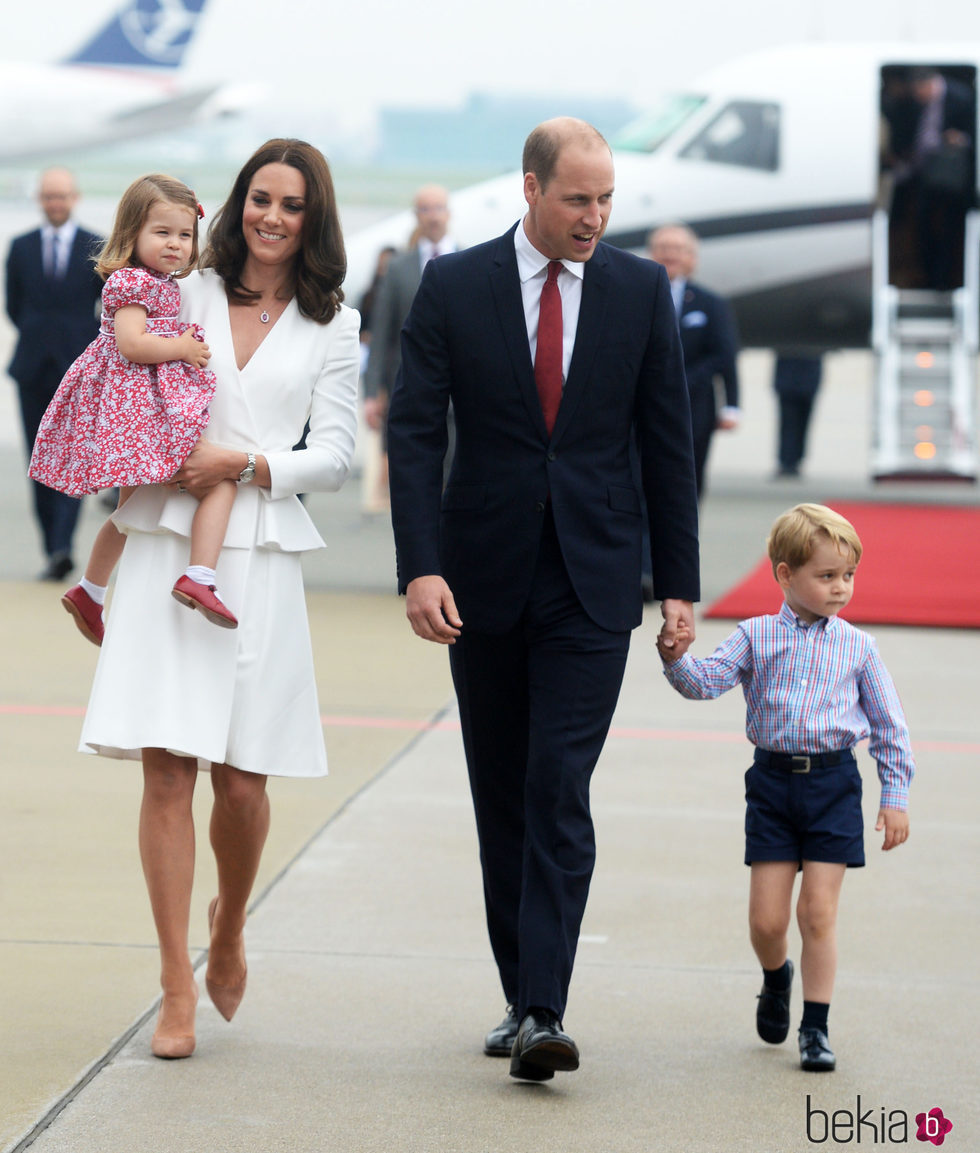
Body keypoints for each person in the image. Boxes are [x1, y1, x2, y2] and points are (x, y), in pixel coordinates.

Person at [387, 118, 700, 1082]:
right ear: (531, 189)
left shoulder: (640, 288)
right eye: (578, 199)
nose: (595, 218)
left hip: (595, 582)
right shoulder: (455, 284)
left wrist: (681, 585)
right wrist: (421, 564)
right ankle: (521, 988)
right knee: (503, 793)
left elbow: (666, 445)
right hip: (478, 580)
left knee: (557, 784)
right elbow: (412, 433)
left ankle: (543, 1007)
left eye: (607, 201)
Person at [77, 139, 360, 1060]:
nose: (272, 217)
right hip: (167, 545)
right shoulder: (182, 287)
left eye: (292, 205)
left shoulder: (333, 324)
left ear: (313, 221)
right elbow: (117, 351)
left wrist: (244, 462)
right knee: (168, 771)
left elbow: (340, 455)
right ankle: (172, 985)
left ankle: (229, 923)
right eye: (260, 199)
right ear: (237, 205)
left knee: (242, 782)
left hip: (259, 551)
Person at [656, 503, 913, 1073]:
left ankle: (815, 1028)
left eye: (847, 575)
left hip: (834, 786)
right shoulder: (755, 636)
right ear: (783, 574)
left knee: (817, 914)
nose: (841, 588)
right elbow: (705, 684)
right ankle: (777, 977)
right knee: (767, 923)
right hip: (772, 786)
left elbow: (890, 727)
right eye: (826, 576)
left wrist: (894, 796)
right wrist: (676, 658)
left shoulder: (858, 647)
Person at [29, 174, 235, 646]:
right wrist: (182, 346)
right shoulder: (130, 281)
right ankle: (196, 576)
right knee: (205, 482)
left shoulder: (160, 282)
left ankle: (91, 590)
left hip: (140, 405)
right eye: (162, 233)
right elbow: (132, 344)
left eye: (184, 236)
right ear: (132, 234)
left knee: (133, 506)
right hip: (130, 410)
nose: (175, 245)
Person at [5, 168, 103, 580]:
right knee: (39, 460)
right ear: (40, 200)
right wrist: (37, 336)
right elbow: (13, 305)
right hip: (31, 368)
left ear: (74, 198)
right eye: (49, 197)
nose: (56, 204)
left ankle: (64, 544)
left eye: (61, 196)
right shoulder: (21, 247)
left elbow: (108, 307)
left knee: (72, 458)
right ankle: (53, 548)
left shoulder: (94, 246)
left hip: (76, 370)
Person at [363, 185, 456, 499]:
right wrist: (372, 391)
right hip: (410, 387)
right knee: (415, 479)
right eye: (426, 209)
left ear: (449, 212)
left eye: (438, 208)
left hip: (461, 392)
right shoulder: (399, 268)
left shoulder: (471, 259)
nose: (433, 216)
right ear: (416, 216)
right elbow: (382, 332)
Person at [648, 224, 740, 498]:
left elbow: (725, 355)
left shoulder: (711, 303)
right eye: (663, 249)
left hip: (695, 405)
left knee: (690, 476)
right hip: (645, 403)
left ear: (692, 257)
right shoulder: (636, 297)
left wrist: (732, 406)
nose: (670, 255)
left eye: (678, 249)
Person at [772, 353, 823, 478]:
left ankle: (795, 460)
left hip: (807, 382)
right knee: (788, 424)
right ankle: (787, 461)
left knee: (801, 424)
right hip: (788, 384)